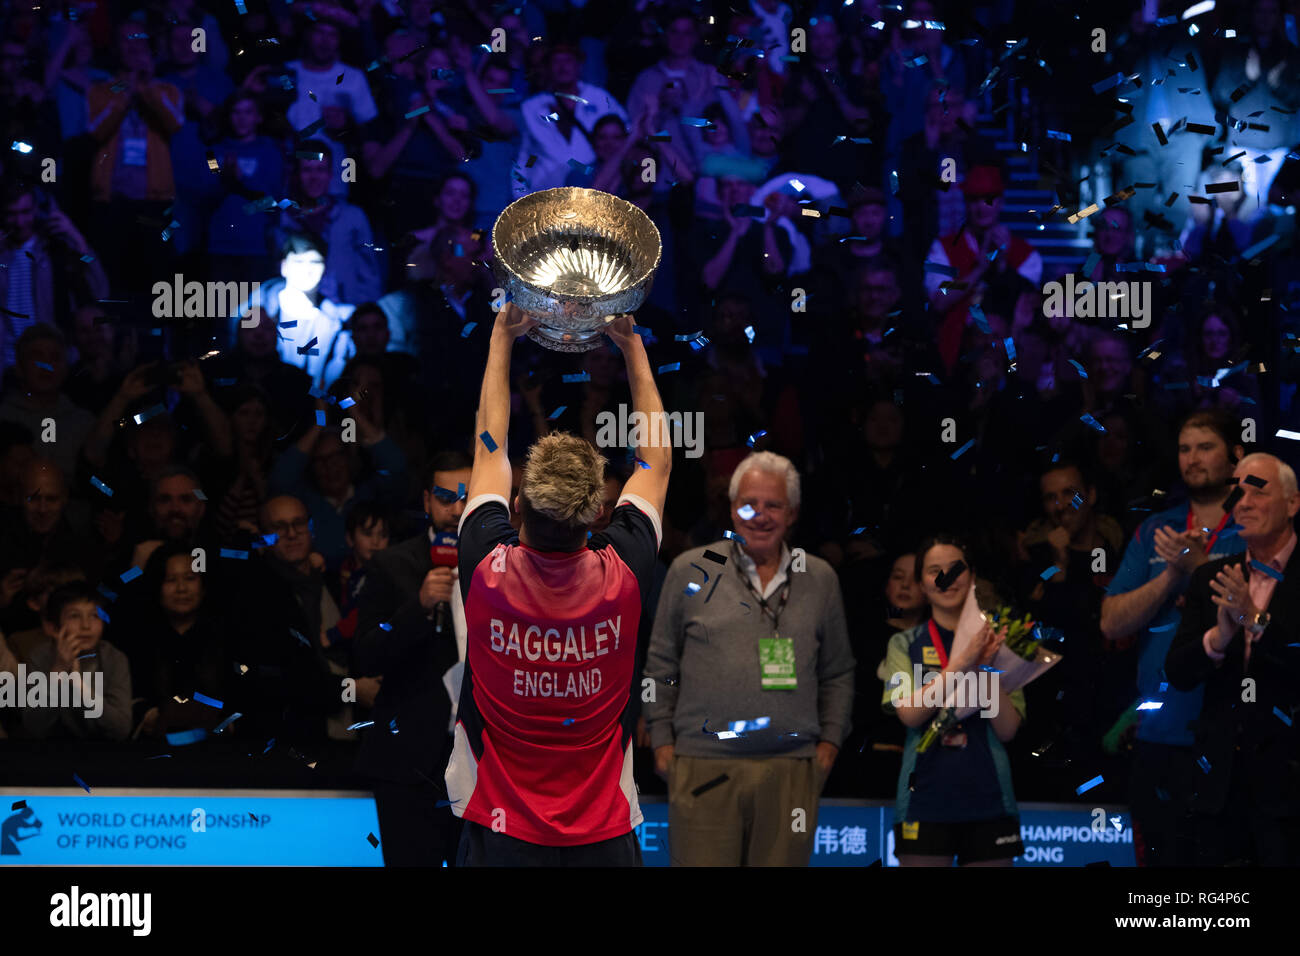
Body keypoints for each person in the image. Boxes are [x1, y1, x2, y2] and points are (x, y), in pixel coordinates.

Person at [447, 304, 670, 866]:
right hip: (603, 836)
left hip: (502, 833)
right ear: (597, 513)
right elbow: (657, 460)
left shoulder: (483, 566)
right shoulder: (625, 571)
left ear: (517, 506)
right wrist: (631, 346)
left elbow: (488, 445)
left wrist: (501, 336)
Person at [645, 450, 854, 865]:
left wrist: (829, 741)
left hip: (791, 770)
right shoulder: (690, 568)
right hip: (702, 766)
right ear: (731, 509)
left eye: (772, 505)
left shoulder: (819, 578)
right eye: (748, 504)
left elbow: (839, 672)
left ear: (791, 513)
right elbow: (660, 665)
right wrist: (662, 741)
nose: (759, 516)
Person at [1102, 408, 1246, 866]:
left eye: (1206, 447)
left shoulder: (1254, 527)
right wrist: (1171, 578)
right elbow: (1111, 622)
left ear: (1235, 455)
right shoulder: (1155, 529)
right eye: (1185, 448)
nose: (1192, 458)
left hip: (1232, 735)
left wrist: (1200, 571)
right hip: (1159, 732)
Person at [1165, 452, 1300, 865]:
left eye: (1256, 491)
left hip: (1291, 789)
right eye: (1236, 494)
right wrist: (1219, 637)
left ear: (1292, 503)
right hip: (1218, 787)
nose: (1242, 503)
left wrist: (1256, 621)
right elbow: (1178, 673)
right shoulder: (1213, 576)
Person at [353, 450, 471, 866]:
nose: (456, 510)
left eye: (467, 497)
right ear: (426, 502)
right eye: (445, 498)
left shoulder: (503, 566)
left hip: (480, 761)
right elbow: (365, 656)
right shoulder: (392, 565)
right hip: (407, 763)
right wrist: (417, 608)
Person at [881, 535, 1026, 866]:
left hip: (990, 797)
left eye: (955, 569)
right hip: (923, 799)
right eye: (934, 570)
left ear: (972, 576)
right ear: (921, 582)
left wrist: (986, 664)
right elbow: (910, 714)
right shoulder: (904, 644)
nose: (946, 579)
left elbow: (1007, 730)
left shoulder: (1001, 642)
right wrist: (963, 661)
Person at [924, 165, 1043, 376]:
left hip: (1009, 360)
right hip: (955, 354)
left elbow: (1025, 308)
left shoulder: (1027, 254)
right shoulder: (942, 247)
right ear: (965, 203)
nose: (981, 207)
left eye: (989, 199)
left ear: (1001, 202)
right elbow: (940, 301)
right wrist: (980, 268)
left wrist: (1003, 264)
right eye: (974, 200)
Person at [0, 184, 108, 372]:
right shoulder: (2, 253)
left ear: (36, 210)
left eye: (25, 212)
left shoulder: (56, 250)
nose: (19, 222)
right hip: (8, 364)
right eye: (12, 214)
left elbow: (99, 289)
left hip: (51, 360)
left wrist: (79, 241)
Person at [21, 581, 133, 741]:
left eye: (95, 616)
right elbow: (34, 727)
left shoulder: (114, 658)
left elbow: (121, 728)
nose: (86, 625)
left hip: (103, 752)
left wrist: (80, 686)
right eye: (75, 616)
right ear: (54, 627)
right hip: (51, 753)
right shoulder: (41, 656)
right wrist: (59, 670)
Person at [275, 143, 384, 304]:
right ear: (296, 175)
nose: (314, 177)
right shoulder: (285, 219)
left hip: (346, 308)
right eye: (307, 170)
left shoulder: (352, 217)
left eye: (320, 170)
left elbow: (369, 271)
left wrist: (365, 309)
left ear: (330, 174)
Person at [515, 42, 628, 195]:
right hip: (544, 194)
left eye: (568, 60)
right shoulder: (531, 107)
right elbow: (525, 154)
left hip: (591, 189)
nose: (562, 67)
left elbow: (626, 135)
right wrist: (519, 193)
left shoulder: (599, 97)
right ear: (548, 68)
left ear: (578, 65)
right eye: (556, 61)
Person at [0, 325, 94, 486]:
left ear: (66, 367)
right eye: (37, 357)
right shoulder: (3, 417)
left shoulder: (85, 422)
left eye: (55, 358)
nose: (46, 366)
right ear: (19, 367)